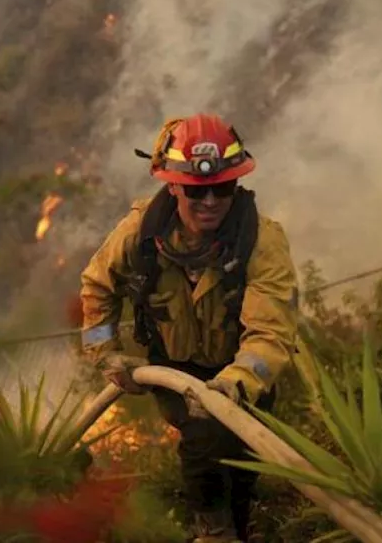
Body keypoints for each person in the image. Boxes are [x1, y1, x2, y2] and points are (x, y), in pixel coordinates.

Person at [78, 113, 299, 543]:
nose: (211, 201)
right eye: (198, 190)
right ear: (174, 185)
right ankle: (213, 533)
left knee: (241, 460)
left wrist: (236, 381)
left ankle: (238, 522)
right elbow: (95, 288)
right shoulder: (138, 234)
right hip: (175, 371)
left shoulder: (261, 241)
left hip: (242, 377)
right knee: (205, 438)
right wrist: (105, 355)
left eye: (223, 188)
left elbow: (271, 333)